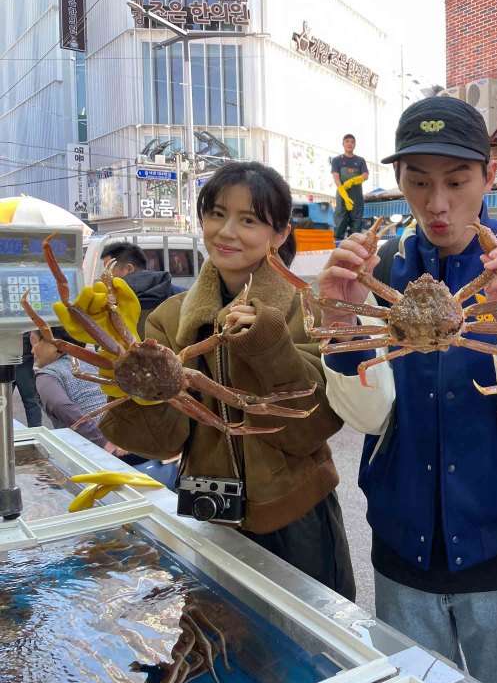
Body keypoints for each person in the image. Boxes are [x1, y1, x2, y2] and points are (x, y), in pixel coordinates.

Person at [319, 97, 497, 683]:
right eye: (418, 181)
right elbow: (368, 417)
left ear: (489, 176)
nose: (437, 204)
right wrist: (344, 326)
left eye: (457, 182)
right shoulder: (377, 269)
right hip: (401, 548)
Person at [59, 161, 356, 600]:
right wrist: (122, 376)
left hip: (297, 516)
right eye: (216, 214)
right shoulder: (169, 317)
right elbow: (161, 442)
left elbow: (311, 427)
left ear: (279, 234)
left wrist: (270, 344)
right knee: (214, 633)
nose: (227, 231)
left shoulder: (308, 308)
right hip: (206, 507)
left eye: (249, 220)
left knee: (313, 636)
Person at [31, 327, 115, 450]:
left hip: (93, 450)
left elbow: (60, 405)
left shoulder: (47, 375)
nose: (32, 350)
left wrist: (102, 441)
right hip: (127, 440)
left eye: (35, 342)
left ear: (53, 343)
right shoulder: (98, 360)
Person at [100, 241, 181, 336]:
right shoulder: (182, 294)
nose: (106, 277)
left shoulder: (114, 303)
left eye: (108, 269)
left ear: (129, 269)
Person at [330, 133, 369, 239]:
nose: (349, 144)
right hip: (342, 197)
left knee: (356, 226)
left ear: (355, 144)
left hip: (357, 198)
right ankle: (337, 246)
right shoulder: (337, 160)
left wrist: (352, 181)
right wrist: (344, 194)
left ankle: (354, 246)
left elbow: (365, 176)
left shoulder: (360, 161)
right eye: (347, 141)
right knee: (340, 223)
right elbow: (336, 177)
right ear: (343, 144)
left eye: (352, 142)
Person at [15, 332, 42, 426]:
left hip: (15, 350)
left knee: (2, 399)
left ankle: (35, 429)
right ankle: (35, 430)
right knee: (31, 400)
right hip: (24, 350)